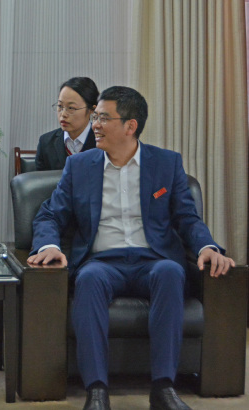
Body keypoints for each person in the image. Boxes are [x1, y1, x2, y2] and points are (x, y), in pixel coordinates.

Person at [27, 86, 234, 410]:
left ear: (130, 126)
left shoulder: (166, 163)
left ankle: (163, 388)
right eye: (95, 117)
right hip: (101, 262)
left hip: (153, 260)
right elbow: (50, 214)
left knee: (171, 272)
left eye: (103, 118)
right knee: (88, 280)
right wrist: (49, 245)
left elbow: (187, 217)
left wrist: (207, 246)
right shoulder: (80, 166)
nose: (95, 125)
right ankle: (96, 391)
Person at [35, 77, 99, 170]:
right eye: (60, 106)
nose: (63, 114)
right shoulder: (46, 143)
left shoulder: (103, 142)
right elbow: (39, 179)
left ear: (92, 110)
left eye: (71, 108)